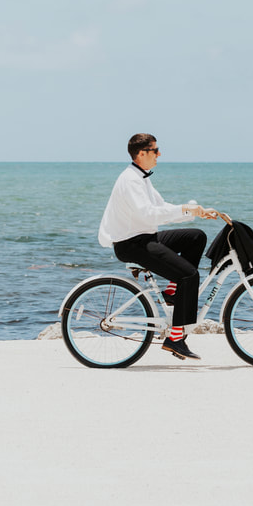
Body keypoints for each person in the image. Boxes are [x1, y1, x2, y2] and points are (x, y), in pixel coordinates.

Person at [98, 133, 222, 361]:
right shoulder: (131, 180)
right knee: (190, 276)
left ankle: (172, 293)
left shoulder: (141, 177)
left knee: (195, 237)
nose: (159, 154)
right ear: (142, 153)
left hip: (145, 237)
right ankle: (175, 338)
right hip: (131, 244)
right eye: (155, 150)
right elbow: (150, 213)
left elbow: (161, 206)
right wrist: (187, 209)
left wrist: (197, 212)